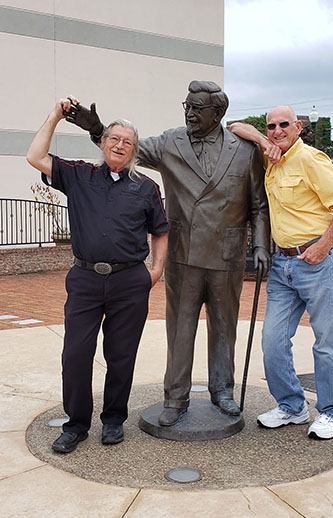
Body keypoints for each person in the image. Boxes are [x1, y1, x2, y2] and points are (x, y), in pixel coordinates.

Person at [66, 81, 271, 426]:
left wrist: (262, 245)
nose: (189, 113)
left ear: (218, 113)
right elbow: (127, 150)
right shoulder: (169, 142)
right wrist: (98, 130)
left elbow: (258, 205)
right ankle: (176, 397)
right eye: (186, 106)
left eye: (197, 108)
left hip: (227, 254)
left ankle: (223, 390)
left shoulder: (244, 149)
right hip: (182, 252)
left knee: (224, 326)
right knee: (180, 328)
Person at [26, 98, 169, 452]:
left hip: (129, 281)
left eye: (128, 142)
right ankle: (75, 425)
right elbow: (35, 157)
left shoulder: (147, 187)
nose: (120, 146)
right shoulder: (78, 175)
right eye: (114, 139)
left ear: (134, 151)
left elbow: (161, 231)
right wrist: (56, 116)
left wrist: (156, 271)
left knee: (121, 355)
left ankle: (113, 420)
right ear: (103, 142)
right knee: (76, 353)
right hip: (85, 280)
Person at [230, 106, 333, 440]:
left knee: (326, 343)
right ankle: (292, 406)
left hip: (317, 262)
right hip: (283, 265)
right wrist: (260, 139)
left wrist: (325, 244)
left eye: (283, 125)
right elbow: (233, 126)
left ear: (297, 127)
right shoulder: (271, 157)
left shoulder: (311, 160)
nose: (277, 131)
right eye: (271, 126)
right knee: (272, 341)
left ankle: (331, 412)